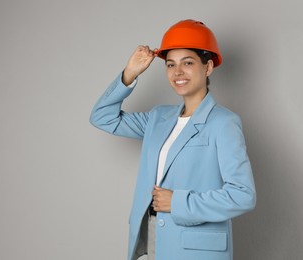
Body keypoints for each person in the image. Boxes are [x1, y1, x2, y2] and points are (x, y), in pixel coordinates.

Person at [89, 19, 256, 260]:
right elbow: (102, 117)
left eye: (187, 63)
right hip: (157, 239)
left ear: (208, 67)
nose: (177, 72)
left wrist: (178, 202)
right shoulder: (158, 118)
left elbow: (243, 194)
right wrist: (129, 74)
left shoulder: (224, 123)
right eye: (170, 64)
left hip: (197, 249)